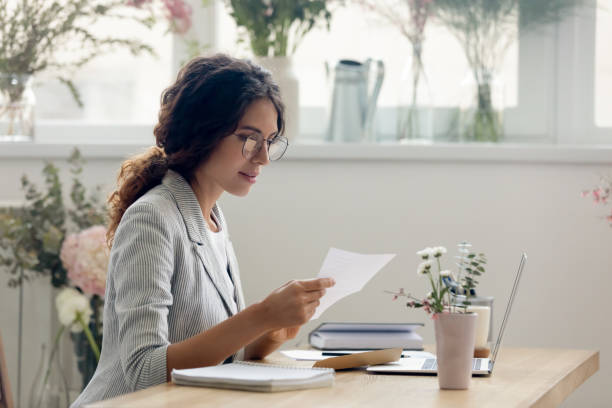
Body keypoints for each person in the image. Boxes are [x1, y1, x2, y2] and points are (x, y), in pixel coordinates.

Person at [71, 54, 335, 407]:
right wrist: (258, 315)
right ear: (204, 131)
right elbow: (144, 372)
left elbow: (213, 356)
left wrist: (269, 333)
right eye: (249, 138)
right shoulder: (151, 219)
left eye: (269, 141)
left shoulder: (212, 218)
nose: (263, 158)